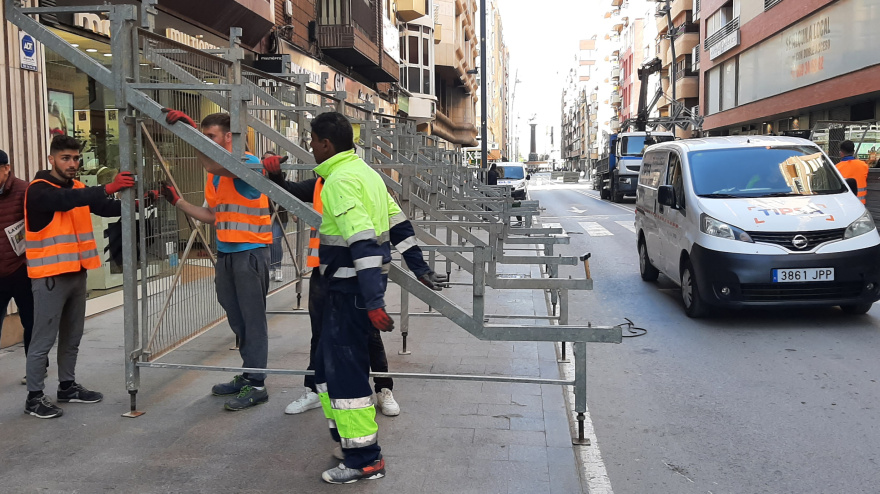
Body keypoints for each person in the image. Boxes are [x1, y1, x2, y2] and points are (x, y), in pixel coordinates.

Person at [262, 153, 447, 418]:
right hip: (325, 273)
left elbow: (393, 227)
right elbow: (288, 192)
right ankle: (315, 390)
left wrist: (418, 268)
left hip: (360, 276)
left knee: (370, 335)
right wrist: (276, 176)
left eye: (314, 141)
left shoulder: (359, 182)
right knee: (321, 334)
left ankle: (383, 389)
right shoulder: (321, 183)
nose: (312, 147)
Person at [302, 111, 400, 483]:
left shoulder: (340, 180)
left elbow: (361, 240)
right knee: (326, 370)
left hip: (348, 292)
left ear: (326, 144)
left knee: (345, 376)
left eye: (312, 141)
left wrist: (374, 300)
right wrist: (419, 266)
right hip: (344, 290)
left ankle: (365, 460)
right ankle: (348, 442)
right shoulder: (366, 173)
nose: (310, 147)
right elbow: (398, 221)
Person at [162, 110, 272, 411]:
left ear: (229, 138)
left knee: (252, 320)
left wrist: (188, 132)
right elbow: (212, 215)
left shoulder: (247, 162)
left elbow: (214, 161)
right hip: (226, 252)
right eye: (204, 136)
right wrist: (179, 202)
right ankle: (249, 372)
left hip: (250, 251)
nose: (207, 142)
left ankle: (257, 383)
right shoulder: (214, 173)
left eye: (210, 137)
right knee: (235, 315)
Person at [23, 135, 136, 419]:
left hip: (77, 273)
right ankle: (34, 397)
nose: (73, 164)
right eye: (66, 158)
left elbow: (101, 206)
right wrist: (108, 187)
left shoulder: (78, 187)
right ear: (51, 159)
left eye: (75, 158)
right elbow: (66, 201)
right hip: (50, 277)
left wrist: (135, 203)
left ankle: (67, 387)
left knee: (72, 337)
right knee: (42, 340)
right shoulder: (39, 190)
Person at [0, 150, 35, 386]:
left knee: (31, 321)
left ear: (6, 168)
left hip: (23, 269)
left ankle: (35, 368)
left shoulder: (25, 191)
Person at [262, 150, 288, 282]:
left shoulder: (281, 176)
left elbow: (289, 194)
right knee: (269, 242)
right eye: (265, 160)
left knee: (275, 240)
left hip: (280, 214)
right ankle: (271, 268)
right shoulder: (260, 176)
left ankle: (277, 268)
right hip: (265, 214)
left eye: (271, 160)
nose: (268, 163)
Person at [837, 140, 869, 204]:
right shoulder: (864, 165)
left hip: (845, 203)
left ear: (841, 153)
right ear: (853, 152)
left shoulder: (837, 168)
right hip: (861, 203)